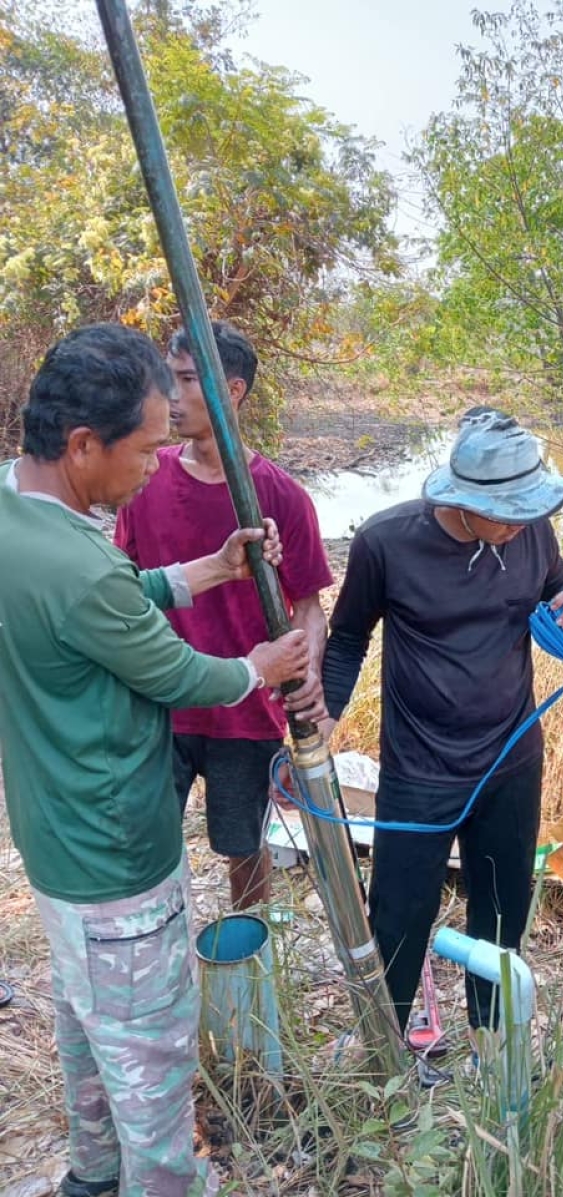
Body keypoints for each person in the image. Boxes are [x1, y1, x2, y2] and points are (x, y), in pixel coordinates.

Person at [0, 323, 309, 1197]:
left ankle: (92, 1178)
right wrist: (262, 665)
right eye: (142, 450)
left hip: (57, 844)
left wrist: (204, 572)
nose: (151, 468)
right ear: (82, 443)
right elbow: (176, 670)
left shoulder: (19, 518)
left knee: (85, 1029)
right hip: (116, 854)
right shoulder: (78, 563)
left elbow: (103, 600)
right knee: (151, 1062)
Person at [315, 408, 563, 1037]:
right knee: (400, 912)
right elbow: (348, 637)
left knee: (501, 909)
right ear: (462, 500)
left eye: (529, 512)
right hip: (421, 768)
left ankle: (492, 1041)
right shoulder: (386, 543)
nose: (519, 527)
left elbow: (555, 583)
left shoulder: (531, 531)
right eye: (507, 514)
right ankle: (382, 1048)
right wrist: (324, 716)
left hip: (512, 760)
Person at [115, 321, 333, 910]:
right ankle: (158, 956)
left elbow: (309, 605)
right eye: (169, 378)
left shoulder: (280, 495)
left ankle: (249, 969)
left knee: (244, 849)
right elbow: (120, 587)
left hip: (247, 712)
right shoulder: (144, 479)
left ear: (231, 390)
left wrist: (307, 669)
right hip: (160, 704)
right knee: (145, 848)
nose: (171, 395)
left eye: (186, 380)